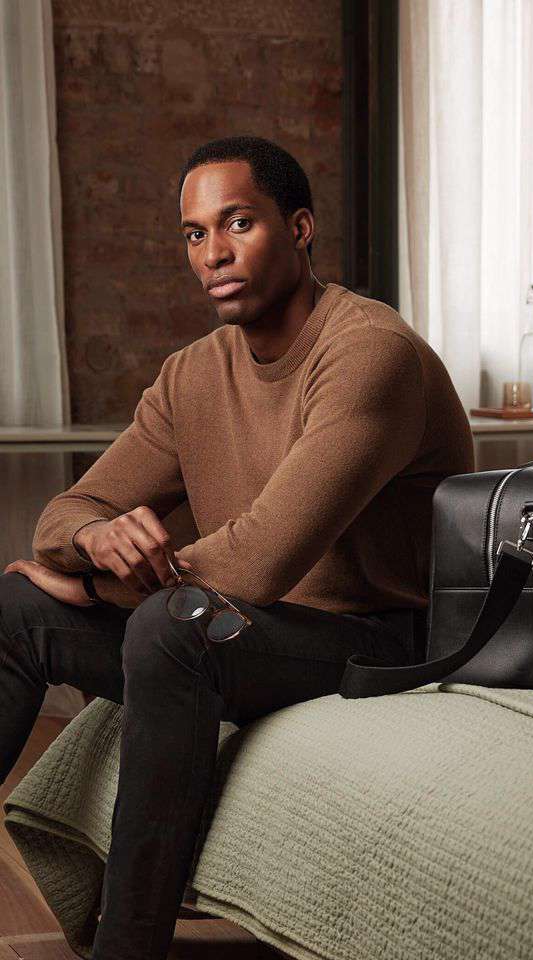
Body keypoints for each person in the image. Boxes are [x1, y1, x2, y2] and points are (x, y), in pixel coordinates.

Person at [0, 135, 474, 960]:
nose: (212, 253)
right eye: (194, 233)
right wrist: (93, 538)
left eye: (238, 223)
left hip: (375, 641)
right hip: (242, 632)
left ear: (299, 229)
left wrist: (101, 582)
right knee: (15, 606)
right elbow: (63, 517)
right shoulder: (192, 374)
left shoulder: (370, 352)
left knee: (171, 625)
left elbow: (258, 563)